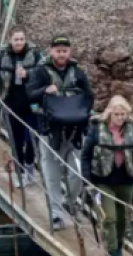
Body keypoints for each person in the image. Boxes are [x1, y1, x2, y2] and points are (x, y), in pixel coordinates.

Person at [26, 35, 93, 230]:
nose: (61, 54)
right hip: (49, 130)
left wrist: (84, 113)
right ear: (51, 51)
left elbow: (89, 96)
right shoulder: (40, 72)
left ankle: (69, 202)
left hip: (75, 131)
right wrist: (45, 90)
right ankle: (55, 214)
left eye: (65, 51)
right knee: (52, 174)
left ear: (69, 52)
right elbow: (29, 94)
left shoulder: (78, 72)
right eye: (58, 50)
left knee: (78, 173)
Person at [80, 95, 133, 256]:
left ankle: (118, 246)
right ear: (109, 113)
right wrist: (87, 180)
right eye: (117, 114)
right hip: (102, 180)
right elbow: (85, 155)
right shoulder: (96, 129)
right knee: (108, 217)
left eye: (123, 114)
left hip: (126, 180)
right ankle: (111, 254)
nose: (120, 118)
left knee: (121, 218)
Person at [0, 28, 43, 186]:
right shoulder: (3, 55)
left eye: (22, 39)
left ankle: (30, 166)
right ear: (10, 40)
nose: (19, 42)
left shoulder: (35, 54)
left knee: (32, 138)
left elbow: (43, 74)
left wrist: (28, 75)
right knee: (16, 140)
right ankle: (20, 172)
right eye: (16, 39)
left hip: (32, 104)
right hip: (11, 103)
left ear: (25, 40)